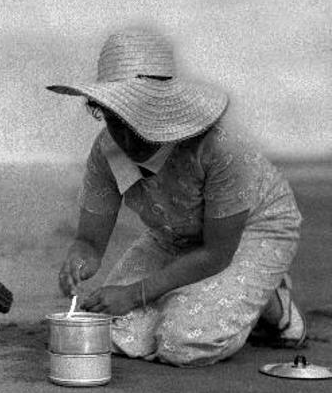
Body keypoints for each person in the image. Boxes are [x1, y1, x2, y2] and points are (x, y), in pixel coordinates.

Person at [47, 28, 305, 367]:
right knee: (102, 328)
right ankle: (233, 295)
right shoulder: (106, 150)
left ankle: (271, 300)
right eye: (114, 120)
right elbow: (89, 242)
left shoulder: (220, 146)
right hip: (175, 235)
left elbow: (216, 251)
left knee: (183, 342)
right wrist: (80, 258)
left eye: (136, 119)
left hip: (249, 232)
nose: (125, 137)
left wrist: (135, 294)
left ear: (163, 105)